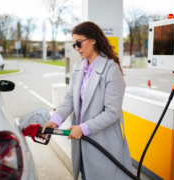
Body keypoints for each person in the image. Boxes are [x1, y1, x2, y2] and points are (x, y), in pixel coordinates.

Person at [40, 21, 132, 180]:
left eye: (79, 43)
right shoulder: (78, 67)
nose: (76, 48)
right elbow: (70, 98)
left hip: (104, 143)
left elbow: (112, 112)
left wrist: (83, 128)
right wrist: (55, 120)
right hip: (83, 142)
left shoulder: (111, 68)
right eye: (74, 44)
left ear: (93, 39)